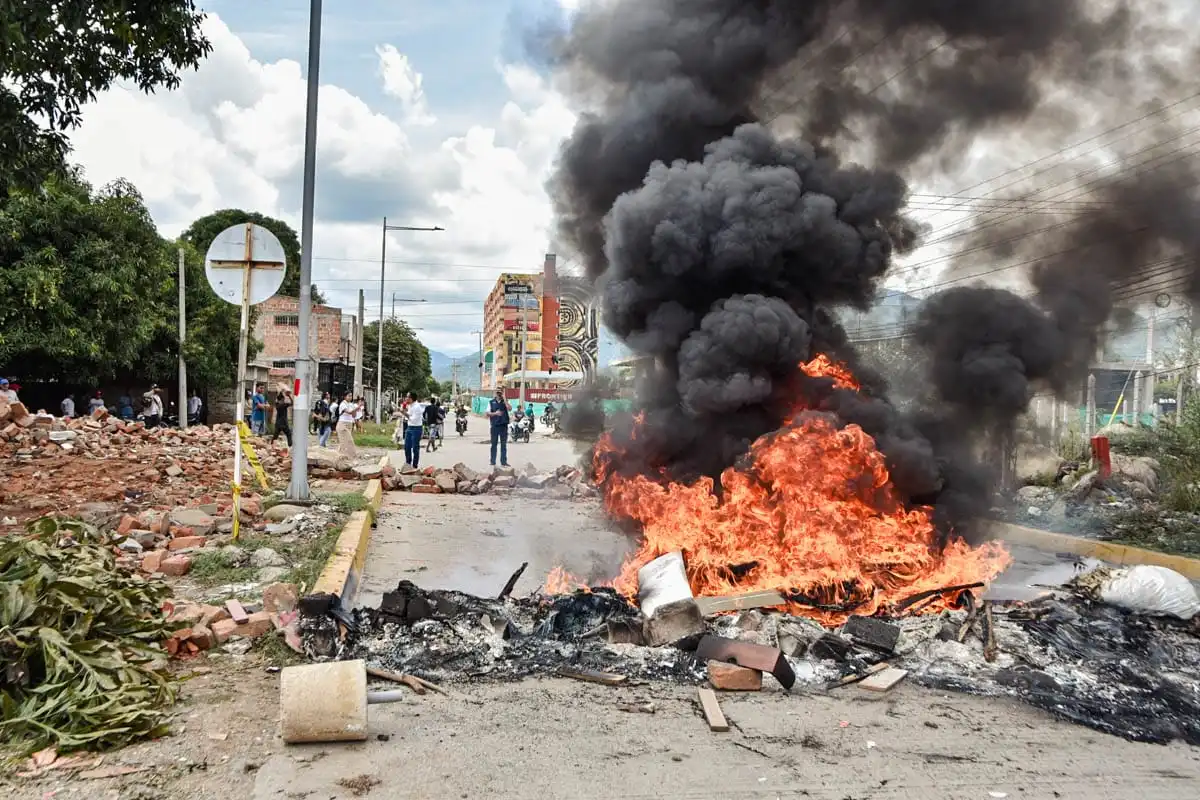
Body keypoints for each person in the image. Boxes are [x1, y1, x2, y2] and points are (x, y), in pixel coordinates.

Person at [486, 390, 511, 467]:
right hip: (495, 426)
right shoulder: (491, 402)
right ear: (495, 393)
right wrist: (495, 413)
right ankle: (492, 461)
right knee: (494, 444)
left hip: (503, 426)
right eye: (498, 392)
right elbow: (487, 413)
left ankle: (503, 462)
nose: (499, 394)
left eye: (500, 392)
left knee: (503, 445)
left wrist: (505, 399)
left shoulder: (505, 402)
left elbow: (509, 408)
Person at [404, 391, 427, 468]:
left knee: (415, 448)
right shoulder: (410, 406)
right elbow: (409, 416)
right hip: (409, 427)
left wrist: (404, 413)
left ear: (411, 399)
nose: (406, 398)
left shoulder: (417, 407)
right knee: (407, 446)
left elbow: (413, 419)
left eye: (407, 397)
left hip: (416, 428)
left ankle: (414, 466)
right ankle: (408, 464)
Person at [335, 391, 358, 459]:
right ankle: (352, 456)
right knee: (349, 441)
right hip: (343, 424)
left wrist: (355, 410)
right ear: (345, 397)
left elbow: (354, 415)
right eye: (349, 396)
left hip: (349, 424)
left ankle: (338, 456)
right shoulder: (343, 404)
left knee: (343, 443)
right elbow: (349, 412)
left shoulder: (351, 404)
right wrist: (357, 408)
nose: (350, 397)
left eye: (351, 396)